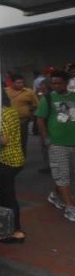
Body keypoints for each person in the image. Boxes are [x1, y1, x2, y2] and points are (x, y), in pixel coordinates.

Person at [36, 70, 75, 222]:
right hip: (57, 143)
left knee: (66, 174)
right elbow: (40, 119)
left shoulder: (73, 96)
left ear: (66, 83)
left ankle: (54, 196)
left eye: (59, 83)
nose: (56, 86)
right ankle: (70, 208)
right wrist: (47, 140)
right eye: (53, 83)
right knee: (63, 174)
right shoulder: (48, 98)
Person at [0, 87, 26, 243]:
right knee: (6, 195)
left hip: (6, 159)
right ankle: (9, 228)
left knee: (7, 197)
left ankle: (16, 231)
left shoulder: (1, 114)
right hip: (17, 158)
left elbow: (4, 140)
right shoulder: (12, 111)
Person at [5, 73, 38, 157]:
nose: (21, 84)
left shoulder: (29, 92)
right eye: (18, 82)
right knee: (10, 141)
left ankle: (22, 159)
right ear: (12, 83)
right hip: (8, 122)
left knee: (22, 141)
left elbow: (36, 104)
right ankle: (10, 158)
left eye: (22, 82)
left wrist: (29, 110)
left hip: (23, 121)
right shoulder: (5, 91)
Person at [36, 78, 52, 173]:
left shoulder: (47, 97)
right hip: (47, 124)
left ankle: (49, 166)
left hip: (46, 124)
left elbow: (40, 116)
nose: (39, 87)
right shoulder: (44, 95)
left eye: (41, 85)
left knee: (46, 145)